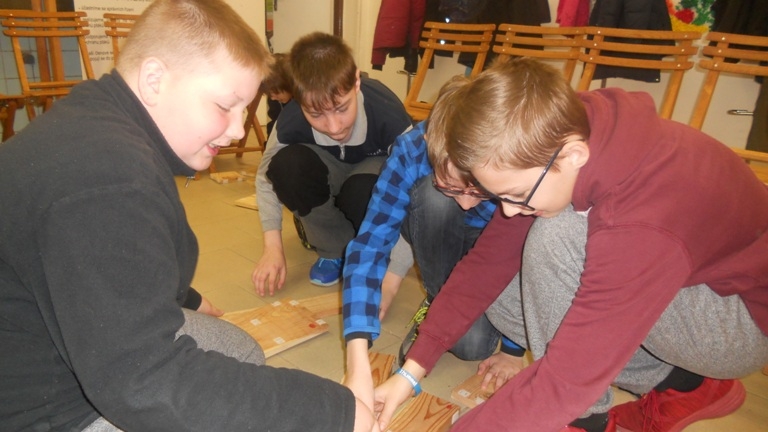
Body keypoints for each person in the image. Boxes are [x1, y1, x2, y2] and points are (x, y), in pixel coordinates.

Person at [0, 1, 378, 430]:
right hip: (46, 409)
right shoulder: (107, 179)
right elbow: (144, 382)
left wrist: (188, 299)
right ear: (154, 80)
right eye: (224, 106)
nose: (237, 130)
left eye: (244, 109)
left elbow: (98, 259)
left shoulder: (100, 117)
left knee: (237, 349)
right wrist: (334, 414)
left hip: (63, 342)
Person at [373, 57, 768, 432]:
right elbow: (484, 268)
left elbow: (570, 375)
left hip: (739, 324)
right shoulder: (557, 134)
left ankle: (583, 422)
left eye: (516, 196)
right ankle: (685, 384)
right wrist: (411, 373)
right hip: (691, 287)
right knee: (505, 296)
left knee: (554, 236)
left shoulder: (639, 217)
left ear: (573, 155)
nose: (507, 213)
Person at [343, 78, 528, 407]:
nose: (466, 204)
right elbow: (370, 244)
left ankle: (447, 309)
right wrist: (357, 358)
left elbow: (523, 255)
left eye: (479, 190)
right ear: (430, 143)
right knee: (433, 196)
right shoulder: (411, 149)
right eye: (453, 187)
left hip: (492, 249)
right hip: (435, 234)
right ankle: (437, 299)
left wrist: (514, 349)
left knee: (473, 346)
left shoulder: (508, 152)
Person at [252, 32, 412, 292]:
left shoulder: (387, 112)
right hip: (329, 169)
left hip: (371, 169)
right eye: (316, 114)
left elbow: (414, 188)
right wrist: (272, 247)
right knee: (285, 167)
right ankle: (333, 248)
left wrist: (395, 272)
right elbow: (264, 179)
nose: (334, 127)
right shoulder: (290, 120)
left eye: (341, 108)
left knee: (362, 191)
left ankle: (368, 248)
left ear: (356, 82)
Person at [259, 52, 293, 137]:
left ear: (288, 84)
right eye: (269, 94)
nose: (273, 98)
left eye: (276, 92)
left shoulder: (303, 101)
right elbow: (275, 122)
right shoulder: (275, 100)